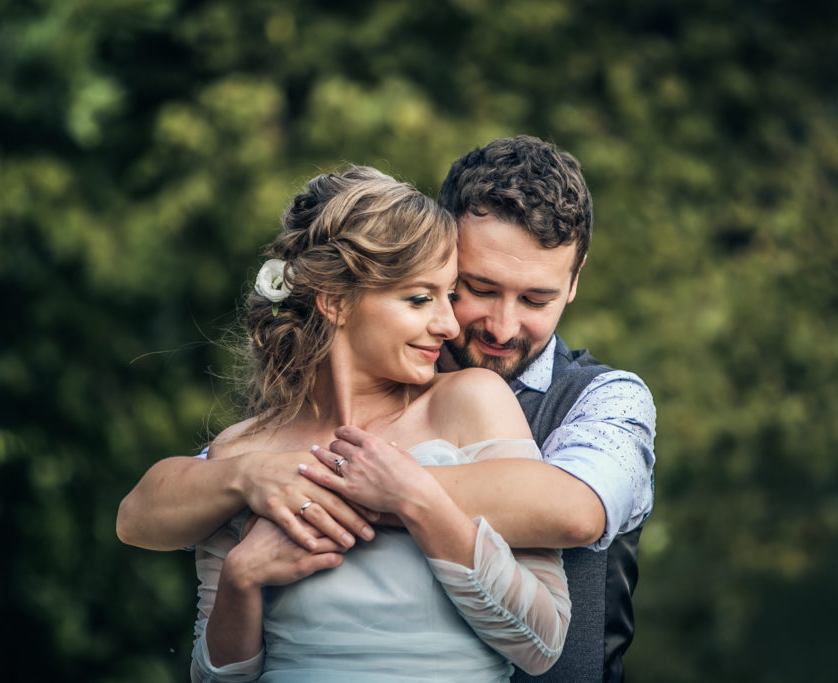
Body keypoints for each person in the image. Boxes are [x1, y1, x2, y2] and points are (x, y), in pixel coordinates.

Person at [117, 137, 656, 682]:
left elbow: (576, 511)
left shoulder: (599, 397)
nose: (501, 326)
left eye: (535, 300)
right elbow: (155, 509)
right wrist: (244, 492)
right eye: (473, 289)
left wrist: (381, 487)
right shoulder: (273, 447)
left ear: (574, 281)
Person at [185, 166, 571, 682]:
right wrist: (240, 579)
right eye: (420, 299)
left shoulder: (471, 402)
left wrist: (417, 500)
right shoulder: (241, 456)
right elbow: (215, 680)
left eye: (450, 294)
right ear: (336, 301)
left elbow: (542, 643)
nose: (449, 324)